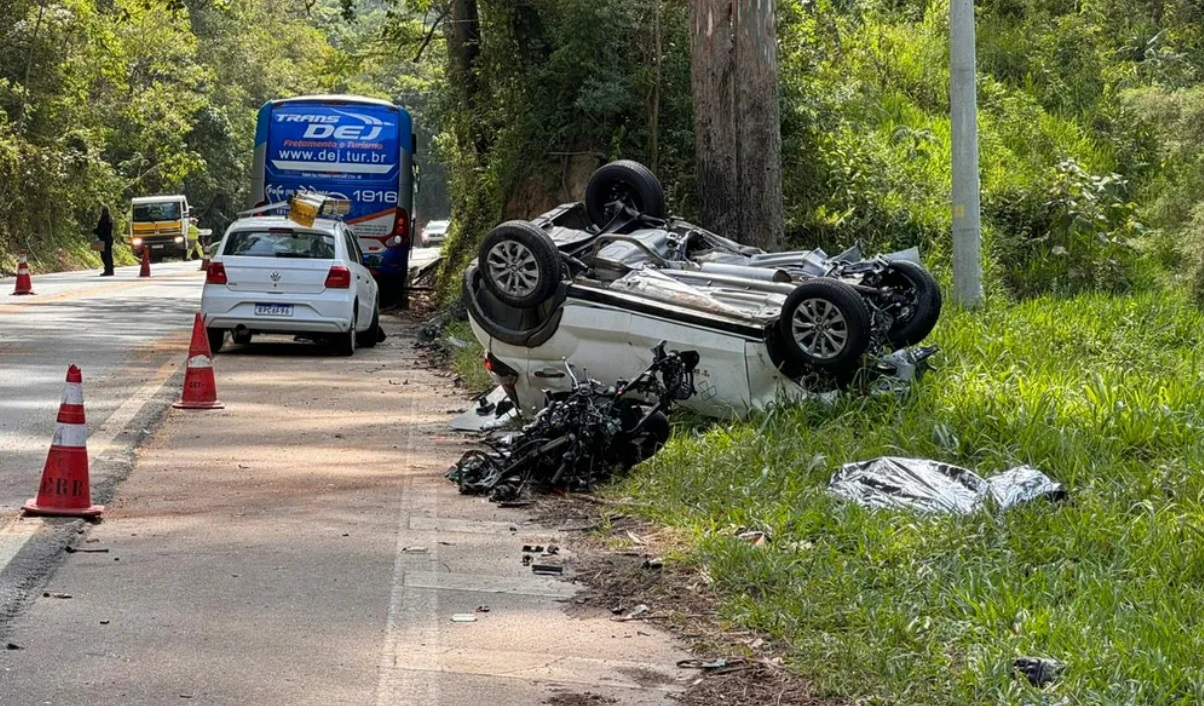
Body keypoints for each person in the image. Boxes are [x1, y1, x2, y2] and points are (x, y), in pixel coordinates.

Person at [94, 205, 114, 276]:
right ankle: (110, 269)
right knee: (109, 255)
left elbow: (101, 230)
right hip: (109, 239)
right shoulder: (110, 219)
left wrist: (95, 231)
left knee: (104, 255)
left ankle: (108, 270)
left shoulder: (103, 219)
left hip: (104, 239)